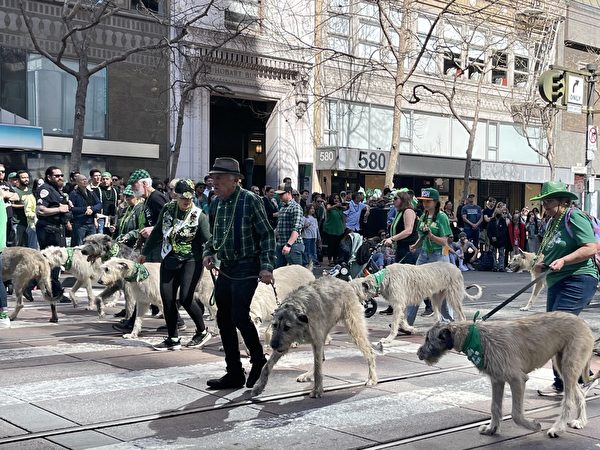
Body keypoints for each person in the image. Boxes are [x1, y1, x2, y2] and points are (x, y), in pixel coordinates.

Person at [203, 157, 275, 390]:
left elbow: (266, 234)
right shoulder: (216, 203)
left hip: (247, 265)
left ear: (235, 180)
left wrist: (266, 266)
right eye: (213, 178)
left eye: (220, 178)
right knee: (223, 318)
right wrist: (208, 252)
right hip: (227, 266)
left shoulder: (250, 200)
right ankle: (234, 371)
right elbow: (214, 236)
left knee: (238, 316)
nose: (214, 182)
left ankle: (258, 361)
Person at [530, 181, 598, 397]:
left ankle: (566, 382)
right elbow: (549, 250)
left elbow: (590, 247)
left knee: (557, 330)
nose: (545, 206)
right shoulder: (552, 222)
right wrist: (540, 264)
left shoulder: (573, 216)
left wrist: (564, 261)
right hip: (557, 280)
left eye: (548, 201)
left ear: (563, 201)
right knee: (560, 330)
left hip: (578, 278)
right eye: (543, 202)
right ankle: (580, 376)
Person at [142, 179, 212, 351]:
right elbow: (158, 231)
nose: (186, 202)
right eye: (183, 198)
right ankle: (173, 339)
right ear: (175, 196)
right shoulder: (167, 209)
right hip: (169, 258)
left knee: (187, 298)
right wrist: (144, 252)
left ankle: (202, 331)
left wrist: (213, 258)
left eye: (189, 198)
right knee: (167, 299)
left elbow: (208, 240)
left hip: (191, 260)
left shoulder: (198, 215)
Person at [113, 168, 169, 333]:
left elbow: (169, 220)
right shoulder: (147, 199)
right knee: (143, 283)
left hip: (159, 248)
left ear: (144, 183)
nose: (132, 187)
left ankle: (174, 320)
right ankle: (132, 321)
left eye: (134, 184)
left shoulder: (156, 198)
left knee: (150, 284)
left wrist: (152, 229)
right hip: (150, 247)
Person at [404, 188, 454, 330]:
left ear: (435, 202)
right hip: (424, 254)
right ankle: (407, 323)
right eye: (423, 201)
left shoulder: (442, 217)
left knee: (442, 290)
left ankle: (448, 322)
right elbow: (423, 235)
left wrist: (432, 237)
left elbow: (445, 241)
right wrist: (416, 245)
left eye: (428, 201)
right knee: (415, 286)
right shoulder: (424, 215)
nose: (425, 204)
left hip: (439, 256)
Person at [34, 166, 71, 302]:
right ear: (49, 177)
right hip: (48, 229)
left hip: (57, 228)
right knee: (53, 260)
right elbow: (41, 210)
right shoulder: (45, 189)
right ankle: (55, 292)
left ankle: (44, 287)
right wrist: (59, 209)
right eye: (56, 176)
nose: (60, 178)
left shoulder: (57, 190)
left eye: (61, 175)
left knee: (54, 261)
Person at [380, 189, 419, 315]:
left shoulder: (408, 211)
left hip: (408, 248)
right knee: (397, 279)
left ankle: (426, 304)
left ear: (402, 200)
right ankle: (394, 305)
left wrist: (392, 238)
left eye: (396, 198)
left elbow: (408, 230)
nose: (393, 200)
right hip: (401, 247)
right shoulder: (399, 212)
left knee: (410, 280)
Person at [274, 183, 304, 267]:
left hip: (293, 246)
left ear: (289, 193)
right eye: (279, 194)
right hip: (281, 244)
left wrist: (288, 245)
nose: (279, 196)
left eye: (281, 194)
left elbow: (297, 228)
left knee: (296, 274)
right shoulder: (283, 207)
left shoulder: (296, 207)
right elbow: (280, 226)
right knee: (279, 273)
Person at [69, 174, 102, 245]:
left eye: (85, 179)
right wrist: (85, 209)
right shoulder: (74, 194)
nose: (85, 181)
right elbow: (72, 209)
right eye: (82, 180)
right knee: (79, 245)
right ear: (77, 182)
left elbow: (99, 204)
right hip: (80, 224)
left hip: (91, 223)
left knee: (92, 245)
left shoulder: (91, 192)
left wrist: (92, 209)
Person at [322, 193, 346, 265]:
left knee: (337, 246)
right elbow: (328, 208)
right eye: (335, 198)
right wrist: (336, 205)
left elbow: (343, 218)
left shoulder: (340, 208)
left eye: (338, 198)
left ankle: (335, 259)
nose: (336, 199)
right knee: (331, 246)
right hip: (331, 230)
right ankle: (330, 260)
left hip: (339, 230)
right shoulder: (329, 205)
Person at [487, 204, 509, 272]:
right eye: (497, 213)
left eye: (500, 213)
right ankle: (494, 266)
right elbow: (489, 230)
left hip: (501, 240)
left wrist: (497, 237)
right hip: (493, 240)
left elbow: (504, 231)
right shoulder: (491, 220)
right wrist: (491, 237)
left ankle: (501, 267)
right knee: (493, 254)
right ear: (495, 213)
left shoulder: (503, 221)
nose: (498, 214)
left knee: (501, 254)